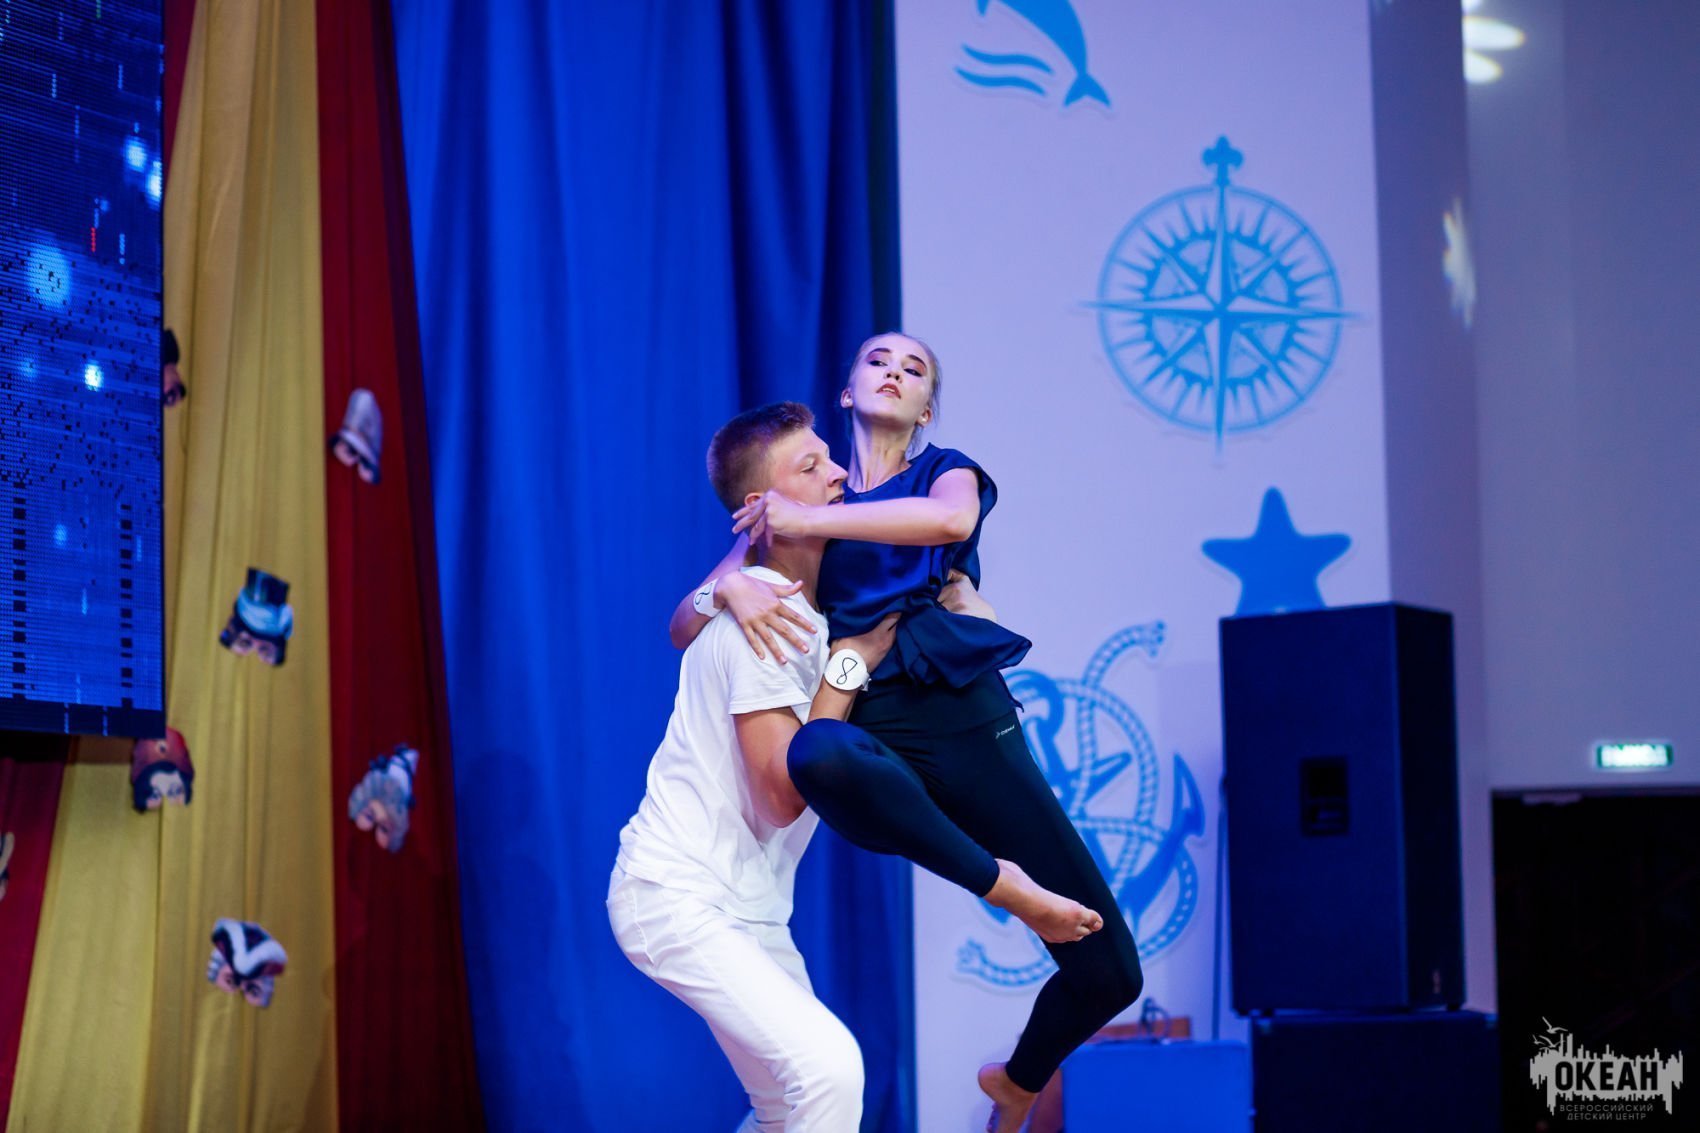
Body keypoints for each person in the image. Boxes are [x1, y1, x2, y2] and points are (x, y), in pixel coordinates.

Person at [669, 334, 1143, 1133]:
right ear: (847, 392)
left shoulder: (939, 473)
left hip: (964, 718)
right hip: (870, 732)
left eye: (915, 368)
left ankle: (1015, 1083)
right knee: (816, 751)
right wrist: (731, 592)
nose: (895, 371)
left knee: (1112, 974)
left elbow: (951, 518)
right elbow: (684, 622)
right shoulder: (810, 497)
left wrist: (809, 516)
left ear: (926, 409)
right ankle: (1001, 883)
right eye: (878, 361)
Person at [609, 402, 889, 1132]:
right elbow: (781, 799)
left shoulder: (804, 607)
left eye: (830, 456)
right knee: (829, 1070)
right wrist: (852, 666)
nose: (839, 473)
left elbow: (685, 618)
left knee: (785, 1104)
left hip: (749, 907)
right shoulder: (768, 620)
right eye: (811, 466)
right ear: (762, 506)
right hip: (678, 894)